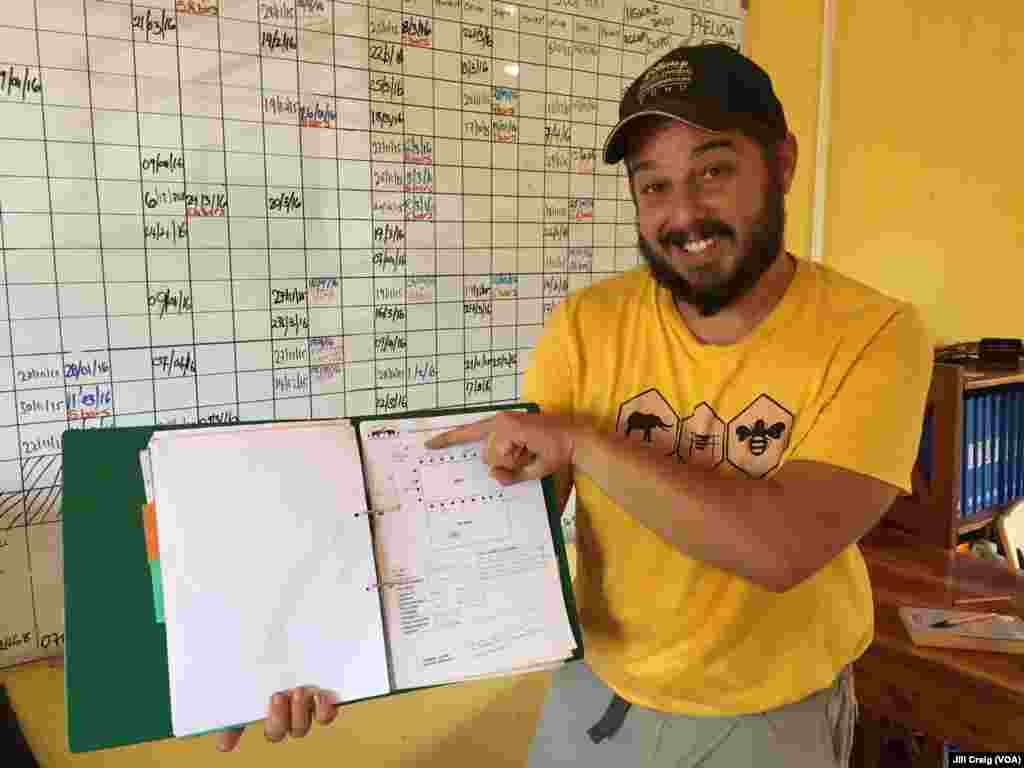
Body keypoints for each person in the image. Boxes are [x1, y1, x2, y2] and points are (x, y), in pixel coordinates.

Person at [216, 43, 933, 766]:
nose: (683, 214)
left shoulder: (874, 334)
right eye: (652, 186)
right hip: (597, 696)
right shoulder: (588, 323)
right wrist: (318, 651)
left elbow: (782, 547)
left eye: (713, 172)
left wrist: (588, 441)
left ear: (782, 163)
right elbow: (492, 522)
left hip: (769, 719)